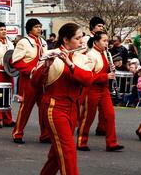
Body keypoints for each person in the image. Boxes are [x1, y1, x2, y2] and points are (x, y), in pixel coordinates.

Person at [31, 23, 94, 175]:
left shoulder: (82, 57)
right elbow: (34, 83)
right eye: (77, 38)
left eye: (81, 38)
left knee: (55, 155)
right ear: (66, 40)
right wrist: (45, 67)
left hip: (73, 108)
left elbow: (87, 80)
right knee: (68, 150)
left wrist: (70, 63)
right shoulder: (51, 53)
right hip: (54, 107)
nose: (81, 42)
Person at [77, 31, 124, 152]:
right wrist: (105, 76)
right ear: (96, 42)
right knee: (88, 117)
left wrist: (112, 67)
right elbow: (88, 75)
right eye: (104, 41)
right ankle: (81, 141)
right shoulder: (91, 55)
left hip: (104, 89)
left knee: (110, 115)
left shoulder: (105, 53)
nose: (106, 43)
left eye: (107, 41)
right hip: (92, 89)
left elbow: (104, 69)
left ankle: (112, 143)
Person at [11, 18, 49, 144]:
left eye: (40, 26)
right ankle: (17, 133)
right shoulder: (24, 42)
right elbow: (15, 61)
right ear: (30, 29)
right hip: (29, 80)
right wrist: (31, 70)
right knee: (26, 107)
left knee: (44, 107)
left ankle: (45, 135)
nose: (39, 29)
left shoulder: (43, 42)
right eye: (36, 27)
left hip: (42, 80)